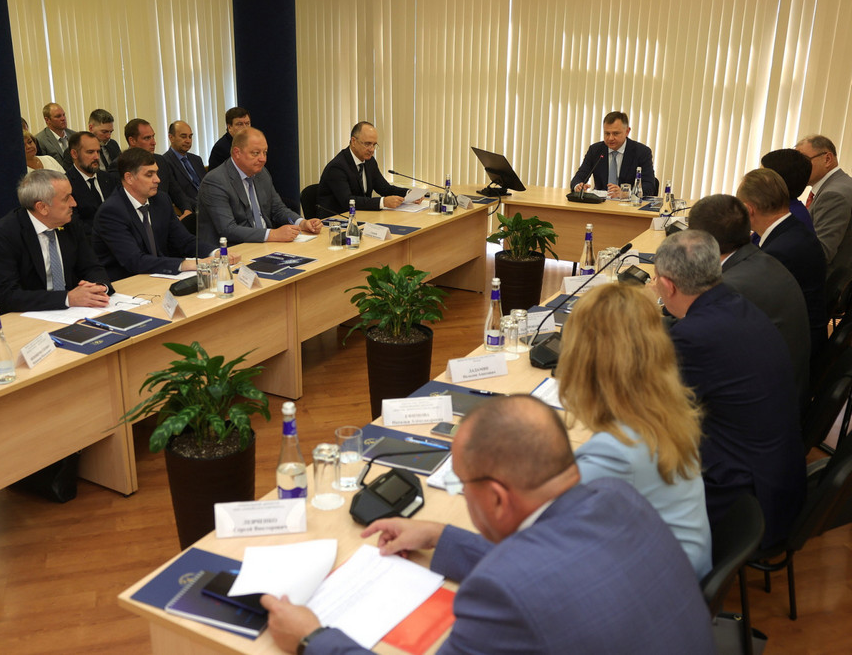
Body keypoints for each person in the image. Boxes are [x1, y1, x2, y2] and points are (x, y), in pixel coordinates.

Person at [260, 395, 716, 654]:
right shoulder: (618, 497)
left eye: (463, 484)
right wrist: (441, 536)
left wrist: (311, 639)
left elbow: (524, 583)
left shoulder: (503, 591)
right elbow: (552, 567)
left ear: (496, 497)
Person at [653, 230, 805, 547]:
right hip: (777, 474)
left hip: (745, 498)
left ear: (668, 286)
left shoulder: (694, 336)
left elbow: (654, 411)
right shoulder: (737, 305)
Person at [556, 283, 712, 578]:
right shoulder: (665, 413)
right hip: (677, 570)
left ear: (582, 361)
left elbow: (542, 530)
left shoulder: (616, 452)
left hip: (655, 587)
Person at [688, 194, 812, 407]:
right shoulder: (760, 259)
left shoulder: (731, 287)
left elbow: (693, 344)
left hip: (762, 408)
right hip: (784, 391)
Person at [0, 170, 112, 313]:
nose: (74, 203)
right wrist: (67, 298)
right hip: (29, 315)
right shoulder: (4, 235)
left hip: (74, 312)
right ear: (42, 207)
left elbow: (92, 267)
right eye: (66, 198)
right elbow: (8, 295)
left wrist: (98, 287)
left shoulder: (70, 223)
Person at [93, 148, 227, 281]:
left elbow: (184, 241)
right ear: (129, 178)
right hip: (128, 282)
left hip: (159, 275)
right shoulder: (111, 212)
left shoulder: (161, 200)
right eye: (149, 175)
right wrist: (185, 264)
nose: (157, 179)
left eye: (156, 173)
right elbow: (134, 260)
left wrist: (217, 253)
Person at [737, 168, 828, 360]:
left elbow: (748, 310)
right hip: (801, 333)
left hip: (791, 350)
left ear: (748, 209)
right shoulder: (793, 229)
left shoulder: (778, 252)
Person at [197, 128, 322, 246]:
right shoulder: (215, 181)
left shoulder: (261, 174)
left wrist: (302, 223)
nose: (262, 159)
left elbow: (278, 209)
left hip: (264, 244)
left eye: (265, 152)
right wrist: (272, 234)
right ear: (237, 153)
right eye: (255, 153)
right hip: (231, 250)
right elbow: (228, 229)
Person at [795, 134, 852, 305]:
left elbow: (821, 254)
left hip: (823, 287)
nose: (798, 168)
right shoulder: (839, 185)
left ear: (827, 159)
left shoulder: (834, 194)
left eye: (803, 161)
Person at [315, 121, 408, 217]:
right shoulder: (337, 167)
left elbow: (385, 189)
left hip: (361, 216)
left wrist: (409, 193)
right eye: (367, 144)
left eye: (374, 145)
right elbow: (347, 201)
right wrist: (382, 202)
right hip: (337, 219)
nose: (372, 150)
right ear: (353, 141)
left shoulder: (369, 161)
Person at [570, 111, 657, 196]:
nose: (610, 138)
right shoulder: (595, 150)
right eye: (607, 133)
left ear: (627, 131)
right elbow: (578, 177)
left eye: (616, 133)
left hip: (628, 203)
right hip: (601, 203)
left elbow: (649, 186)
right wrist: (578, 186)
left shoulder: (642, 152)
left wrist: (625, 193)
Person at [123, 118, 190, 212]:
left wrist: (187, 209)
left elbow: (176, 191)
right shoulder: (121, 166)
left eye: (153, 137)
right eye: (147, 138)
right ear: (132, 141)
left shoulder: (160, 160)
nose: (154, 142)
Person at [65, 131, 116, 238]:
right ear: (74, 154)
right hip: (88, 241)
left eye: (98, 152)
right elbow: (75, 224)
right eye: (90, 152)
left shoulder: (108, 178)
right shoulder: (66, 184)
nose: (96, 157)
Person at [759, 148, 815, 237]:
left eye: (760, 176)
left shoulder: (787, 220)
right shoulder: (784, 209)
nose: (755, 181)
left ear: (777, 182)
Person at [164, 120, 206, 213]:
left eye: (190, 136)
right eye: (183, 136)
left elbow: (207, 185)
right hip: (193, 210)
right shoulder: (165, 162)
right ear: (171, 137)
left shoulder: (196, 159)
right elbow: (178, 195)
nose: (188, 141)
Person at [207, 106, 251, 171]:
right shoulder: (220, 148)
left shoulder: (253, 142)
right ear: (229, 127)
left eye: (247, 123)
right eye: (240, 124)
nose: (245, 128)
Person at [88, 108, 121, 172]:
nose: (108, 136)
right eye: (104, 132)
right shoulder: (81, 150)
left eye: (110, 132)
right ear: (91, 128)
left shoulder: (113, 144)